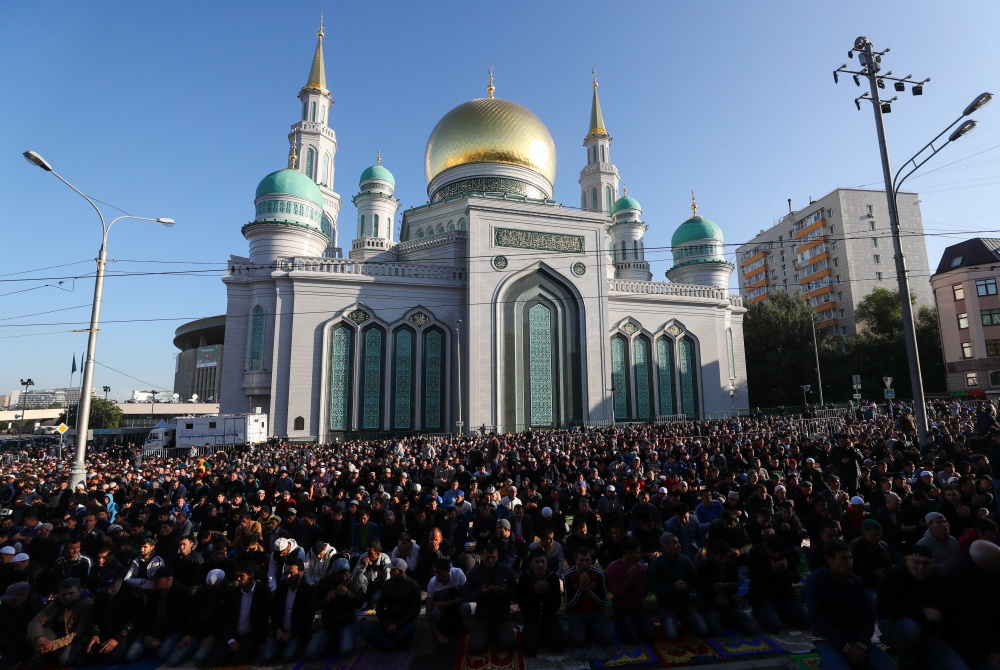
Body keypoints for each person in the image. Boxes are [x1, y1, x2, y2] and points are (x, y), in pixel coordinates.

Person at [805, 539, 894, 670]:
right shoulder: (815, 581)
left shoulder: (855, 581)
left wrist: (861, 644)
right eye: (844, 559)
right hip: (829, 640)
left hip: (856, 639)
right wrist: (847, 649)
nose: (849, 562)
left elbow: (868, 616)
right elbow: (818, 621)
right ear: (829, 559)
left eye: (850, 558)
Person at [876, 545, 968, 670]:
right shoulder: (892, 576)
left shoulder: (940, 579)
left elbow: (952, 610)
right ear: (906, 560)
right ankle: (907, 663)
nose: (921, 567)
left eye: (926, 563)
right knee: (910, 628)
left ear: (932, 563)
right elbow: (883, 609)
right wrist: (921, 613)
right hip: (896, 623)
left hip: (929, 631)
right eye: (915, 562)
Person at [648, 532, 707, 641]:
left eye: (678, 542)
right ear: (666, 547)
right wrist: (672, 587)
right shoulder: (657, 564)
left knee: (703, 630)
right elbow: (653, 587)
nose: (679, 545)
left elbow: (695, 580)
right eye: (675, 543)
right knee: (671, 636)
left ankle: (684, 620)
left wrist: (686, 585)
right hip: (666, 605)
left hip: (684, 603)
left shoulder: (685, 560)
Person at [308, 557, 367, 661]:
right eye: (340, 574)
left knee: (346, 652)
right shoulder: (324, 582)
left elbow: (360, 603)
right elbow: (313, 603)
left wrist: (347, 594)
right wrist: (326, 600)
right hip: (329, 624)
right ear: (334, 573)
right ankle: (332, 640)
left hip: (346, 623)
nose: (344, 577)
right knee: (311, 653)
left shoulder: (354, 580)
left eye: (346, 573)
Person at [464, 540, 517, 654]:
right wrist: (481, 593)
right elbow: (466, 595)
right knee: (475, 648)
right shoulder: (474, 572)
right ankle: (488, 635)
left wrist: (504, 592)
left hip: (502, 617)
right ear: (482, 556)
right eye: (488, 557)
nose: (490, 560)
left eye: (493, 557)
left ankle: (492, 635)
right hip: (483, 618)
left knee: (510, 644)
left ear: (498, 556)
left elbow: (516, 593)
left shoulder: (506, 571)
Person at [747, 535, 809, 633]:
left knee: (806, 621)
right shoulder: (755, 552)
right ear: (765, 547)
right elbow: (754, 577)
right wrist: (771, 570)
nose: (776, 555)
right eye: (773, 552)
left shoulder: (784, 553)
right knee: (774, 627)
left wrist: (785, 570)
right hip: (763, 597)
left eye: (777, 553)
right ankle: (761, 613)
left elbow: (796, 578)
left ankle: (781, 614)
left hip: (784, 596)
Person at [27, 578, 93, 667]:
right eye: (63, 594)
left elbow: (79, 633)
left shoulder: (86, 604)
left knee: (64, 660)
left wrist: (53, 645)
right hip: (61, 632)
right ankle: (49, 651)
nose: (67, 597)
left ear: (79, 591)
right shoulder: (57, 602)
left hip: (77, 637)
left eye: (71, 593)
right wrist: (39, 638)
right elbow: (35, 621)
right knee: (32, 636)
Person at [261, 557, 314, 664]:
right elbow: (273, 612)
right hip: (280, 632)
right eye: (286, 573)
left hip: (297, 633)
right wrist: (277, 630)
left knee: (287, 657)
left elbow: (307, 619)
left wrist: (291, 634)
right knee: (266, 657)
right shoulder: (281, 589)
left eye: (291, 573)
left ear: (301, 573)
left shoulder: (308, 591)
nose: (288, 576)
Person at [84, 572, 144, 665]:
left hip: (125, 630)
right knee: (91, 651)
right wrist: (95, 634)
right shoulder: (101, 593)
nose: (108, 592)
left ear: (119, 580)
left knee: (114, 656)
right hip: (107, 627)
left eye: (112, 588)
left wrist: (117, 638)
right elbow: (95, 615)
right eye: (106, 589)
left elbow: (134, 619)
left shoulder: (133, 592)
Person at [696, 540, 754, 635]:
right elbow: (700, 590)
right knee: (716, 631)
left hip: (729, 604)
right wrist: (713, 589)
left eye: (725, 557)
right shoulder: (704, 566)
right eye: (720, 557)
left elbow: (735, 590)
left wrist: (732, 587)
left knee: (750, 628)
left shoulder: (730, 565)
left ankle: (726, 618)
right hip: (712, 605)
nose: (723, 560)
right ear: (714, 554)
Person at [362, 558, 421, 649]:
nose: (390, 572)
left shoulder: (413, 586)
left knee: (404, 633)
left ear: (401, 572)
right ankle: (392, 644)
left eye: (393, 570)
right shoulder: (387, 584)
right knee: (367, 629)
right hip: (389, 620)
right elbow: (379, 608)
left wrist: (397, 625)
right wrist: (386, 624)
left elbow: (414, 611)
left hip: (404, 622)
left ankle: (387, 643)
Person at [563, 546, 613, 655]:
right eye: (581, 560)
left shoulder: (598, 574)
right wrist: (581, 589)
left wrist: (589, 590)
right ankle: (587, 630)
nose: (585, 564)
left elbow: (603, 602)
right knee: (577, 642)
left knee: (607, 640)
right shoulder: (568, 575)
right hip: (577, 613)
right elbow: (569, 604)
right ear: (576, 560)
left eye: (587, 560)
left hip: (596, 612)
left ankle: (591, 629)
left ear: (592, 561)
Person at [517, 548, 566, 655]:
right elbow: (522, 605)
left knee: (560, 644)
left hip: (549, 617)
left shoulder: (552, 578)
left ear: (546, 562)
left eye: (542, 561)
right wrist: (534, 593)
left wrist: (545, 593)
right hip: (531, 618)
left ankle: (544, 634)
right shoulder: (524, 578)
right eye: (537, 561)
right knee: (529, 649)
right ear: (531, 563)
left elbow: (557, 605)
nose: (540, 564)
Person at [606, 538, 656, 644]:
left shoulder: (640, 568)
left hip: (638, 607)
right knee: (630, 638)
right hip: (621, 608)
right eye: (637, 553)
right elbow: (615, 593)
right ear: (628, 553)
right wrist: (628, 580)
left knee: (651, 636)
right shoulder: (613, 568)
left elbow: (644, 594)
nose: (639, 556)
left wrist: (634, 582)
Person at [220, 562, 271, 665]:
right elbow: (227, 618)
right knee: (220, 659)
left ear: (251, 576)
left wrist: (262, 642)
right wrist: (231, 640)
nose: (238, 579)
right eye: (237, 575)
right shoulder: (233, 593)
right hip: (234, 635)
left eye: (241, 576)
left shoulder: (263, 592)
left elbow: (264, 619)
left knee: (239, 660)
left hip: (251, 636)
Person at [426, 557, 470, 645]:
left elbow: (466, 595)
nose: (437, 575)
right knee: (437, 612)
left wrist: (448, 603)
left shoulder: (458, 573)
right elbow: (428, 612)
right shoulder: (432, 583)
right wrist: (438, 635)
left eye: (440, 573)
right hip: (441, 607)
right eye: (435, 572)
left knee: (466, 608)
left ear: (448, 571)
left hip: (456, 603)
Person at [0, 582, 42, 670]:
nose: (9, 602)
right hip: (6, 642)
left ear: (24, 595)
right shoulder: (6, 607)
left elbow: (28, 635)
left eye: (13, 599)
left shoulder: (36, 608)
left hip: (22, 646)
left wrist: (6, 648)